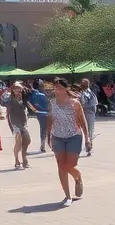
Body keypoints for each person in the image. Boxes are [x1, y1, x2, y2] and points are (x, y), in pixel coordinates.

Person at [49, 78, 89, 207]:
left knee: (69, 165)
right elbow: (51, 120)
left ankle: (77, 177)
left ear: (66, 89)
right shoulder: (52, 103)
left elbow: (83, 121)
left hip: (73, 136)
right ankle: (67, 196)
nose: (57, 90)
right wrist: (47, 136)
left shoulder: (75, 103)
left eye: (59, 87)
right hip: (57, 137)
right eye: (55, 88)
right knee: (61, 165)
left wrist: (87, 138)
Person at [3, 81, 35, 169]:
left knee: (27, 140)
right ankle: (17, 160)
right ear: (13, 90)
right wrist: (11, 126)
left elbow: (31, 107)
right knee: (18, 141)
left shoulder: (23, 98)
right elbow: (8, 113)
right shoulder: (10, 100)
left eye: (20, 88)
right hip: (15, 123)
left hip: (23, 122)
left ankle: (24, 158)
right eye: (16, 88)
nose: (18, 90)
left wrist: (37, 111)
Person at [29, 79, 51, 152]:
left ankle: (43, 144)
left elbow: (31, 105)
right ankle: (46, 144)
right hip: (45, 113)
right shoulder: (42, 95)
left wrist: (35, 111)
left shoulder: (33, 94)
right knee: (48, 128)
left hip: (39, 113)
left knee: (43, 128)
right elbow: (47, 105)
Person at [79, 78, 98, 154]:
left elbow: (94, 104)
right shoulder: (82, 93)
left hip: (89, 113)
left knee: (89, 129)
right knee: (86, 129)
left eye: (86, 83)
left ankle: (89, 144)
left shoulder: (90, 93)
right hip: (84, 113)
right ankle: (88, 144)